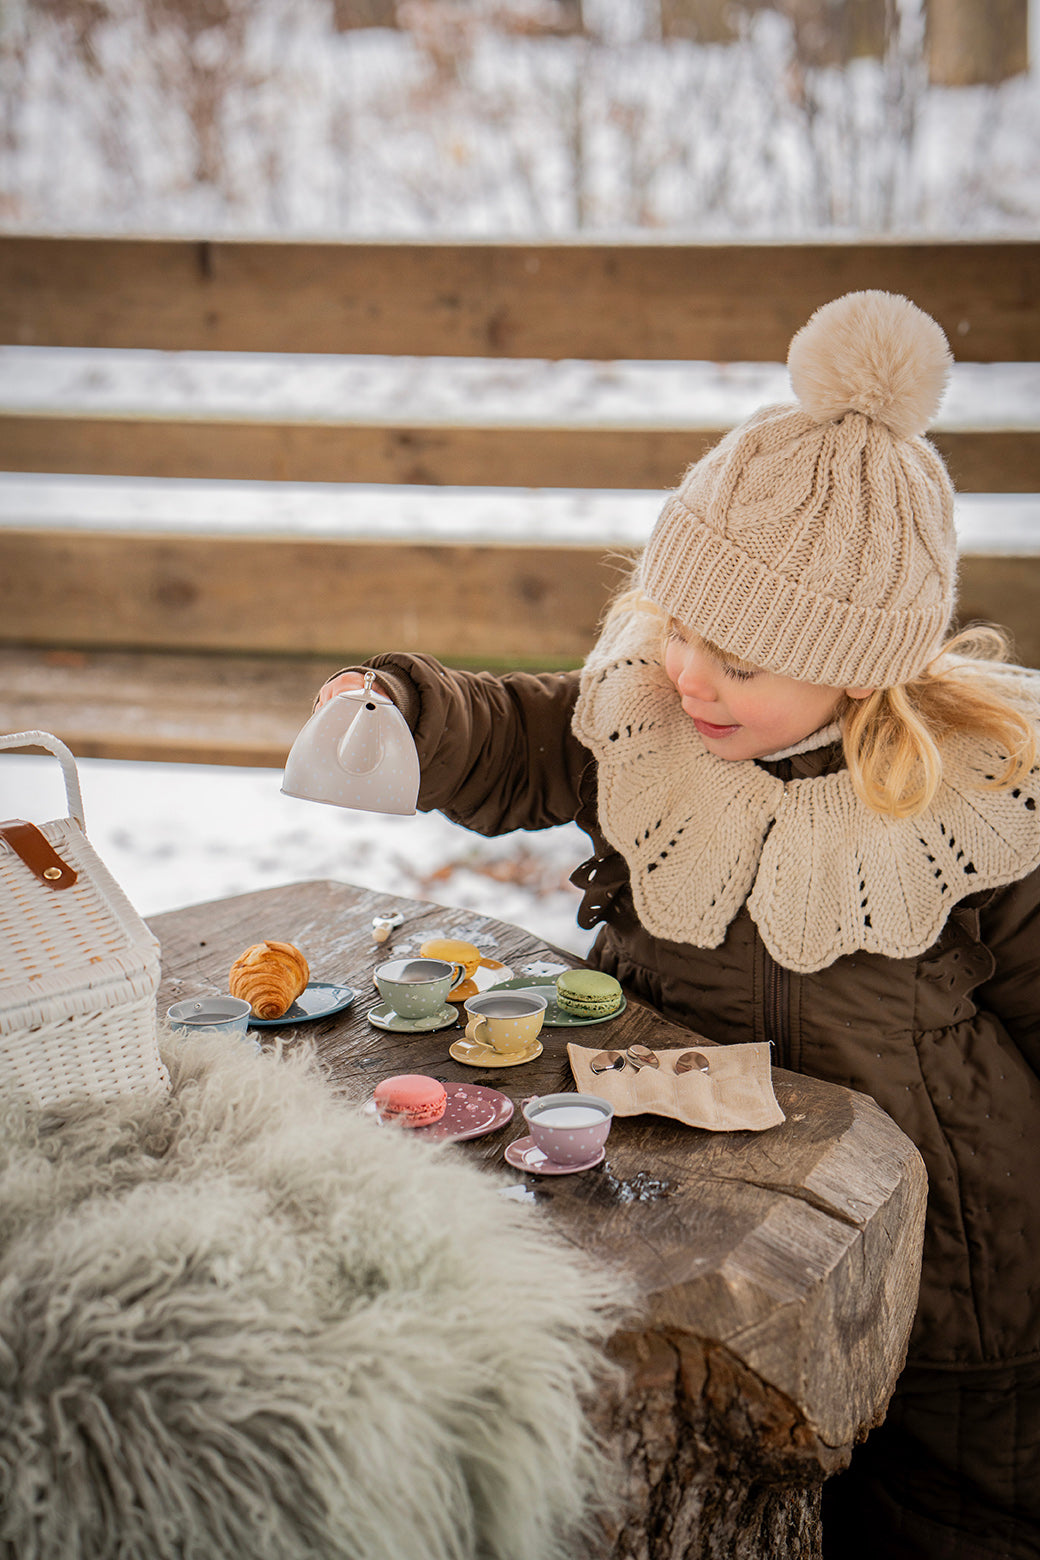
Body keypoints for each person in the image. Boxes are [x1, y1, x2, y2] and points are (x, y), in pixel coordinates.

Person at [315, 290, 1040, 1559]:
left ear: (859, 664)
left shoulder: (973, 799)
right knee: (701, 1479)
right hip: (682, 1209)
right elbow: (526, 731)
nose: (688, 677)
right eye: (677, 632)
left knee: (953, 1516)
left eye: (739, 663)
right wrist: (410, 712)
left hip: (949, 1281)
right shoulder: (648, 723)